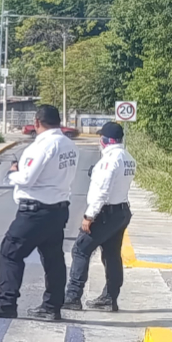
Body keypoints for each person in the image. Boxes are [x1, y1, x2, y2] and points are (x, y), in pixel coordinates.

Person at [0, 103, 79, 321]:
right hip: (58, 209)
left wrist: (12, 173)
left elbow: (27, 178)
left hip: (35, 210)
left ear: (36, 122)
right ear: (58, 121)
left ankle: (7, 303)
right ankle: (52, 307)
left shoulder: (41, 146)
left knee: (10, 252)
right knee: (53, 259)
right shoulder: (69, 145)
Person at [65, 121, 136, 311]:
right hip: (120, 211)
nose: (100, 141)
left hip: (105, 213)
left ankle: (72, 297)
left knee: (81, 250)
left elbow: (102, 192)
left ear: (106, 140)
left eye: (101, 138)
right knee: (112, 255)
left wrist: (89, 216)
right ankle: (110, 298)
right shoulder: (128, 157)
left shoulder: (108, 161)